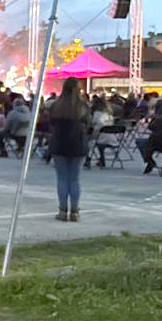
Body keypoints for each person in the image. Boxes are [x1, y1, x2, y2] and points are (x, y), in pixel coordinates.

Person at [49, 78, 90, 221]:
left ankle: (62, 210)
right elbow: (88, 124)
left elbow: (51, 123)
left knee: (61, 178)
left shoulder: (56, 105)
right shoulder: (83, 106)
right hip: (78, 143)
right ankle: (74, 211)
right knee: (74, 179)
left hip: (59, 143)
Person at [88, 95, 117, 168]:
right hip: (112, 138)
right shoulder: (110, 115)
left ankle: (87, 158)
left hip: (100, 136)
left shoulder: (97, 113)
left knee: (87, 140)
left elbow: (92, 124)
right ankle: (101, 159)